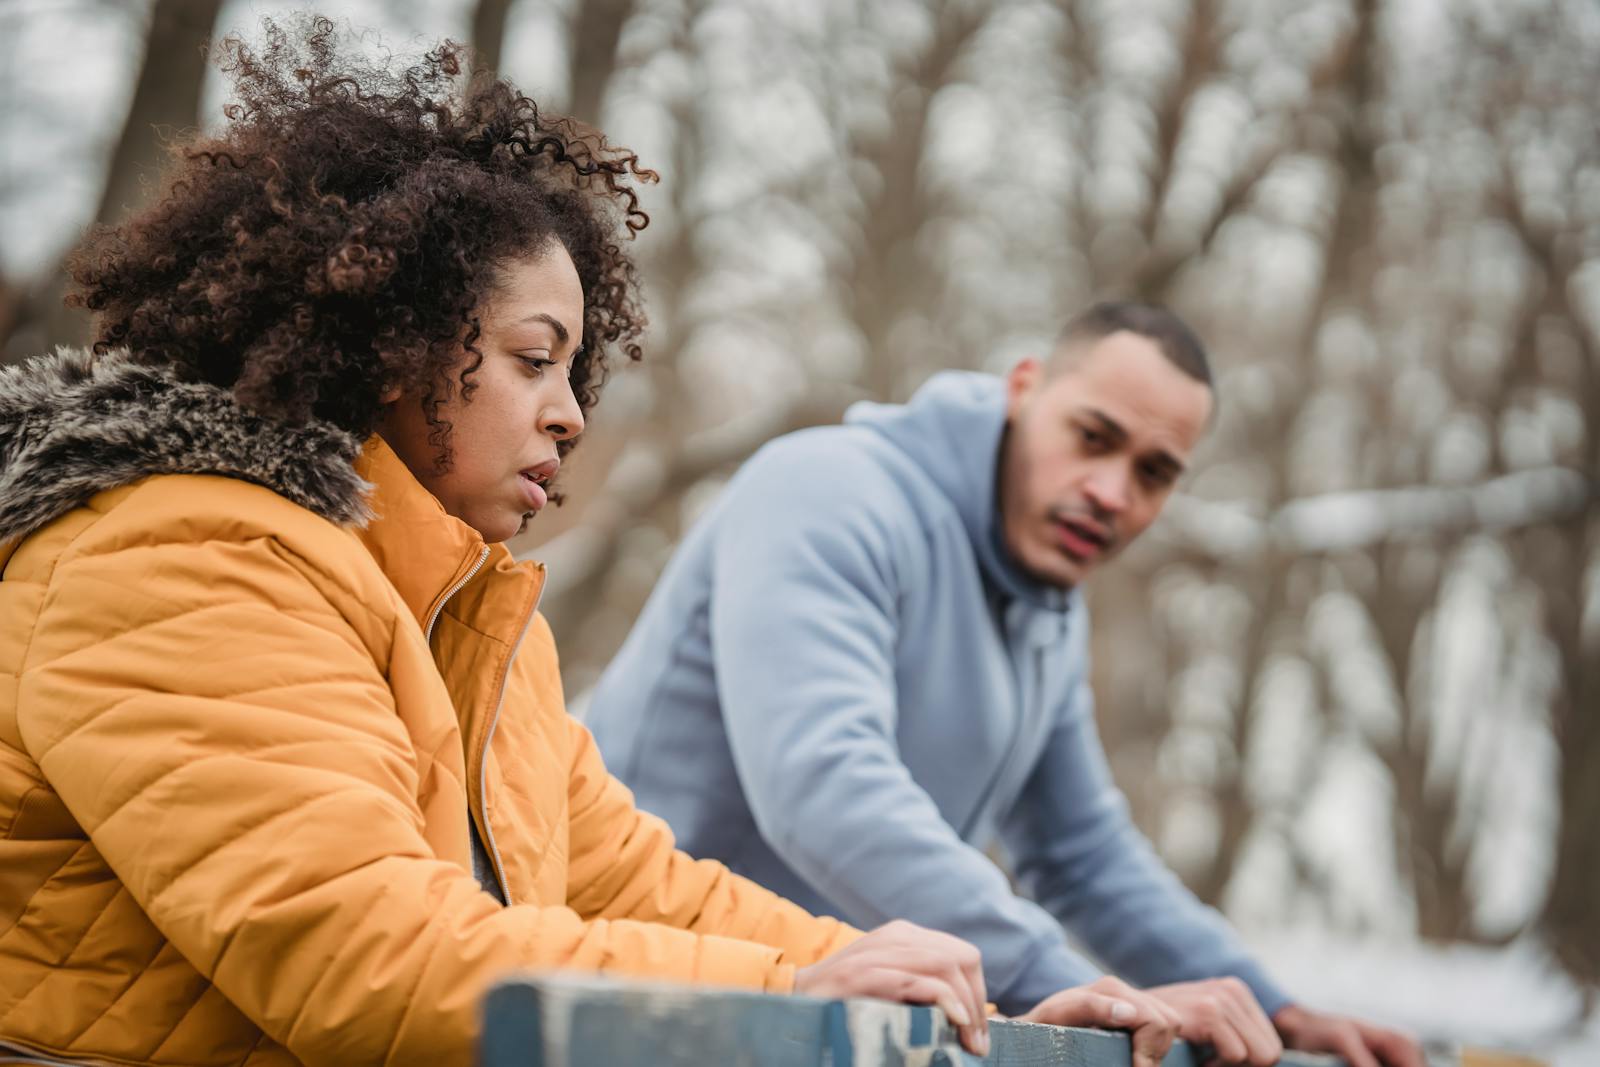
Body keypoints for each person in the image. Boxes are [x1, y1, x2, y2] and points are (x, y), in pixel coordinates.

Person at [0, 20, 1174, 1066]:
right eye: (530, 359)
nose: (570, 411)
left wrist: (927, 981)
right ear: (391, 343)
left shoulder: (462, 616)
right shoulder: (177, 557)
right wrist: (798, 988)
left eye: (577, 368)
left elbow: (638, 885)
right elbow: (362, 955)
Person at [587, 302, 1428, 1067]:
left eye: (1154, 472)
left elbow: (1082, 853)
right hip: (629, 999)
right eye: (1094, 437)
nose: (1111, 492)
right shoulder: (827, 489)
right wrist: (1071, 986)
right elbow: (822, 781)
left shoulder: (1047, 609)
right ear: (1023, 388)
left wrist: (1273, 1008)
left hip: (819, 1024)